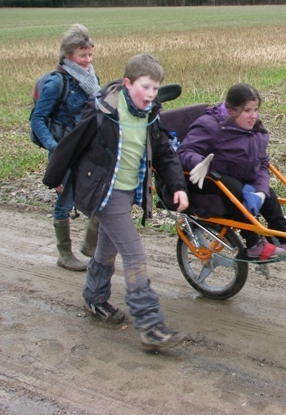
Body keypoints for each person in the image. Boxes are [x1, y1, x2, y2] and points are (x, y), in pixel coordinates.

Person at [42, 54, 190, 352]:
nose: (150, 94)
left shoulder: (150, 116)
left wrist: (178, 186)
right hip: (103, 193)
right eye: (145, 87)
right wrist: (55, 179)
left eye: (155, 88)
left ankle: (95, 298)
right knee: (135, 255)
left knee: (107, 248)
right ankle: (150, 325)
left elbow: (164, 154)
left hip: (127, 193)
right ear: (127, 84)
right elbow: (71, 144)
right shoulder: (103, 112)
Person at [177, 83, 286, 261]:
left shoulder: (256, 130)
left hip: (239, 178)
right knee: (236, 191)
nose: (253, 116)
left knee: (269, 194)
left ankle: (284, 238)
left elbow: (262, 163)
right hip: (204, 180)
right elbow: (184, 151)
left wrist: (261, 191)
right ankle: (254, 244)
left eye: (255, 109)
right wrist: (199, 162)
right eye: (247, 111)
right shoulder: (210, 126)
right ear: (231, 110)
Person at [30, 24, 101, 272]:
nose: (87, 60)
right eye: (82, 56)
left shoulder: (92, 79)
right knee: (65, 199)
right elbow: (38, 120)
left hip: (87, 147)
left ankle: (90, 248)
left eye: (90, 55)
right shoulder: (55, 84)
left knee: (97, 193)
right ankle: (64, 254)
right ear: (67, 56)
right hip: (64, 149)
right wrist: (55, 149)